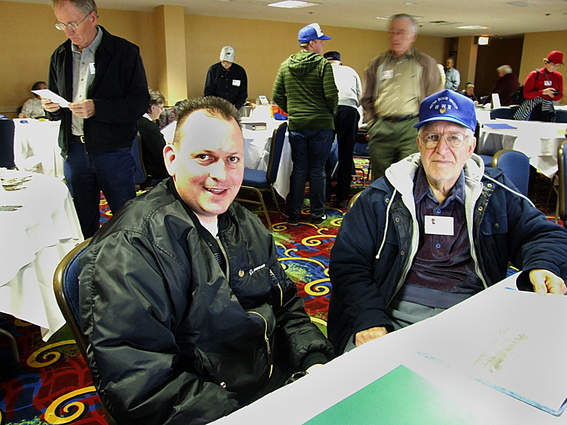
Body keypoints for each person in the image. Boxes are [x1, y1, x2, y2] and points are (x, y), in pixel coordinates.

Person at [78, 96, 334, 425]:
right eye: (204, 157)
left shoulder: (245, 223)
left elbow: (284, 306)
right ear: (171, 160)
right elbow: (142, 383)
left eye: (232, 159)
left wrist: (313, 360)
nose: (221, 175)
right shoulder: (132, 247)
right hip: (211, 409)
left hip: (269, 385)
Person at [328, 89, 567, 355]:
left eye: (454, 138)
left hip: (475, 316)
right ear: (419, 144)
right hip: (393, 314)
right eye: (432, 137)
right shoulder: (382, 197)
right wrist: (369, 319)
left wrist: (541, 265)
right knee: (362, 375)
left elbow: (546, 235)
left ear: (470, 147)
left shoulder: (495, 192)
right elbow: (348, 262)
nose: (442, 149)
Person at [42, 0, 149, 239]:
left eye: (72, 23)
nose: (68, 31)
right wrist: (51, 108)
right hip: (74, 152)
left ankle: (129, 260)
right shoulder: (60, 55)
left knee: (125, 219)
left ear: (92, 18)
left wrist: (97, 108)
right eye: (61, 25)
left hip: (113, 150)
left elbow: (138, 102)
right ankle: (87, 262)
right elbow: (56, 107)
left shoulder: (124, 52)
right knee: (82, 222)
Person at [361, 13, 443, 182]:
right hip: (382, 127)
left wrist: (428, 130)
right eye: (392, 32)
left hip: (412, 128)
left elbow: (436, 101)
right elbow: (366, 98)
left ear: (413, 36)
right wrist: (373, 124)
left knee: (409, 177)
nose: (395, 37)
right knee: (381, 180)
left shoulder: (426, 63)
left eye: (401, 32)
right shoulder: (377, 63)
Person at [272, 23, 338, 225]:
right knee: (317, 170)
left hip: (297, 125)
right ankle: (317, 214)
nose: (323, 46)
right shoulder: (322, 65)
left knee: (299, 169)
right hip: (321, 125)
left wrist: (294, 111)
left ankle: (294, 213)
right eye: (321, 42)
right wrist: (329, 114)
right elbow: (331, 95)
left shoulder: (285, 66)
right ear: (312, 43)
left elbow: (277, 96)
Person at [324, 50, 362, 207]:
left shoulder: (321, 71)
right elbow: (359, 96)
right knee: (346, 155)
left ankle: (325, 196)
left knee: (324, 155)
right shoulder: (351, 71)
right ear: (340, 62)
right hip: (349, 111)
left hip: (327, 111)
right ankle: (342, 197)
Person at [514, 50, 564, 122]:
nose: (554, 67)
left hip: (547, 108)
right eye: (553, 64)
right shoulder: (535, 74)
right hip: (533, 108)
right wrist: (542, 92)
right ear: (547, 62)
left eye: (557, 65)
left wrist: (553, 96)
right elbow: (526, 94)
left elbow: (560, 94)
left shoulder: (558, 76)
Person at [137, 88, 169, 180]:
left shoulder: (134, 122)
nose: (162, 111)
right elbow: (161, 154)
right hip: (154, 172)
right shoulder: (150, 127)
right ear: (153, 108)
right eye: (161, 108)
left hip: (139, 171)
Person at [204, 46, 248, 110]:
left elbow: (243, 92)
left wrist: (236, 107)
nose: (225, 64)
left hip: (234, 107)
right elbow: (208, 91)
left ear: (234, 58)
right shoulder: (213, 70)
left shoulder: (240, 71)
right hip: (217, 107)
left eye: (228, 62)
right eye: (223, 62)